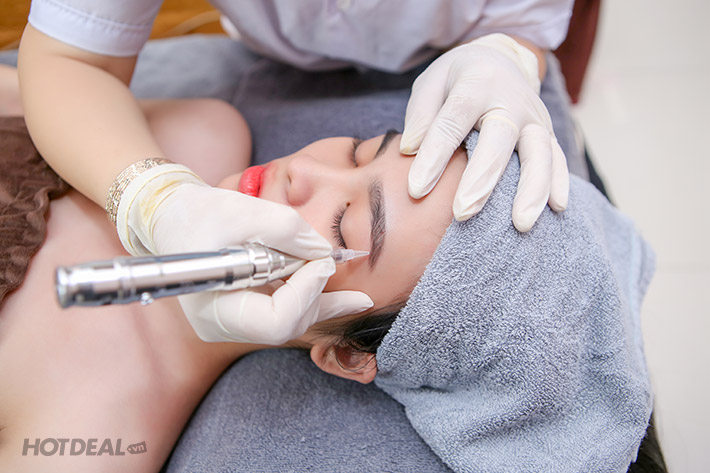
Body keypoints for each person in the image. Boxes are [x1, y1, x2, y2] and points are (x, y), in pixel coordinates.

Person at [17, 0, 574, 344]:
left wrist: (509, 53)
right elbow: (72, 57)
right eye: (359, 149)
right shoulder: (210, 129)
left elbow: (522, 23)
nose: (302, 168)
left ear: (347, 356)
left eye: (342, 229)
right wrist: (152, 199)